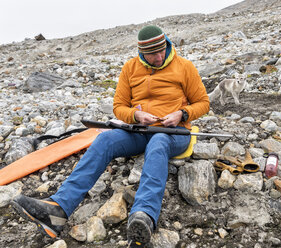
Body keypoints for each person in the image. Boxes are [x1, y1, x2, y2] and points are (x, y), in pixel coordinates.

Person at [11, 25, 209, 247]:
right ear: (142, 52)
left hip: (174, 132)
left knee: (159, 142)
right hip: (141, 130)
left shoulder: (184, 67)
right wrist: (136, 115)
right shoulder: (130, 68)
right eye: (153, 53)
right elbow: (119, 107)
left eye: (162, 50)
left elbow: (203, 103)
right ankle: (58, 210)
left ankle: (144, 215)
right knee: (105, 139)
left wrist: (182, 113)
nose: (159, 56)